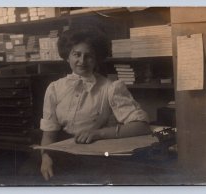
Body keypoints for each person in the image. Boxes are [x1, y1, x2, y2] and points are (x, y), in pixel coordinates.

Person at [40, 27, 150, 181]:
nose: (82, 61)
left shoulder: (110, 88)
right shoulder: (54, 88)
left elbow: (142, 126)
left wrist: (98, 133)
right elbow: (49, 134)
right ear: (67, 57)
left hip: (97, 160)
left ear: (97, 59)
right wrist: (46, 158)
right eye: (76, 54)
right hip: (62, 156)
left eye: (89, 56)